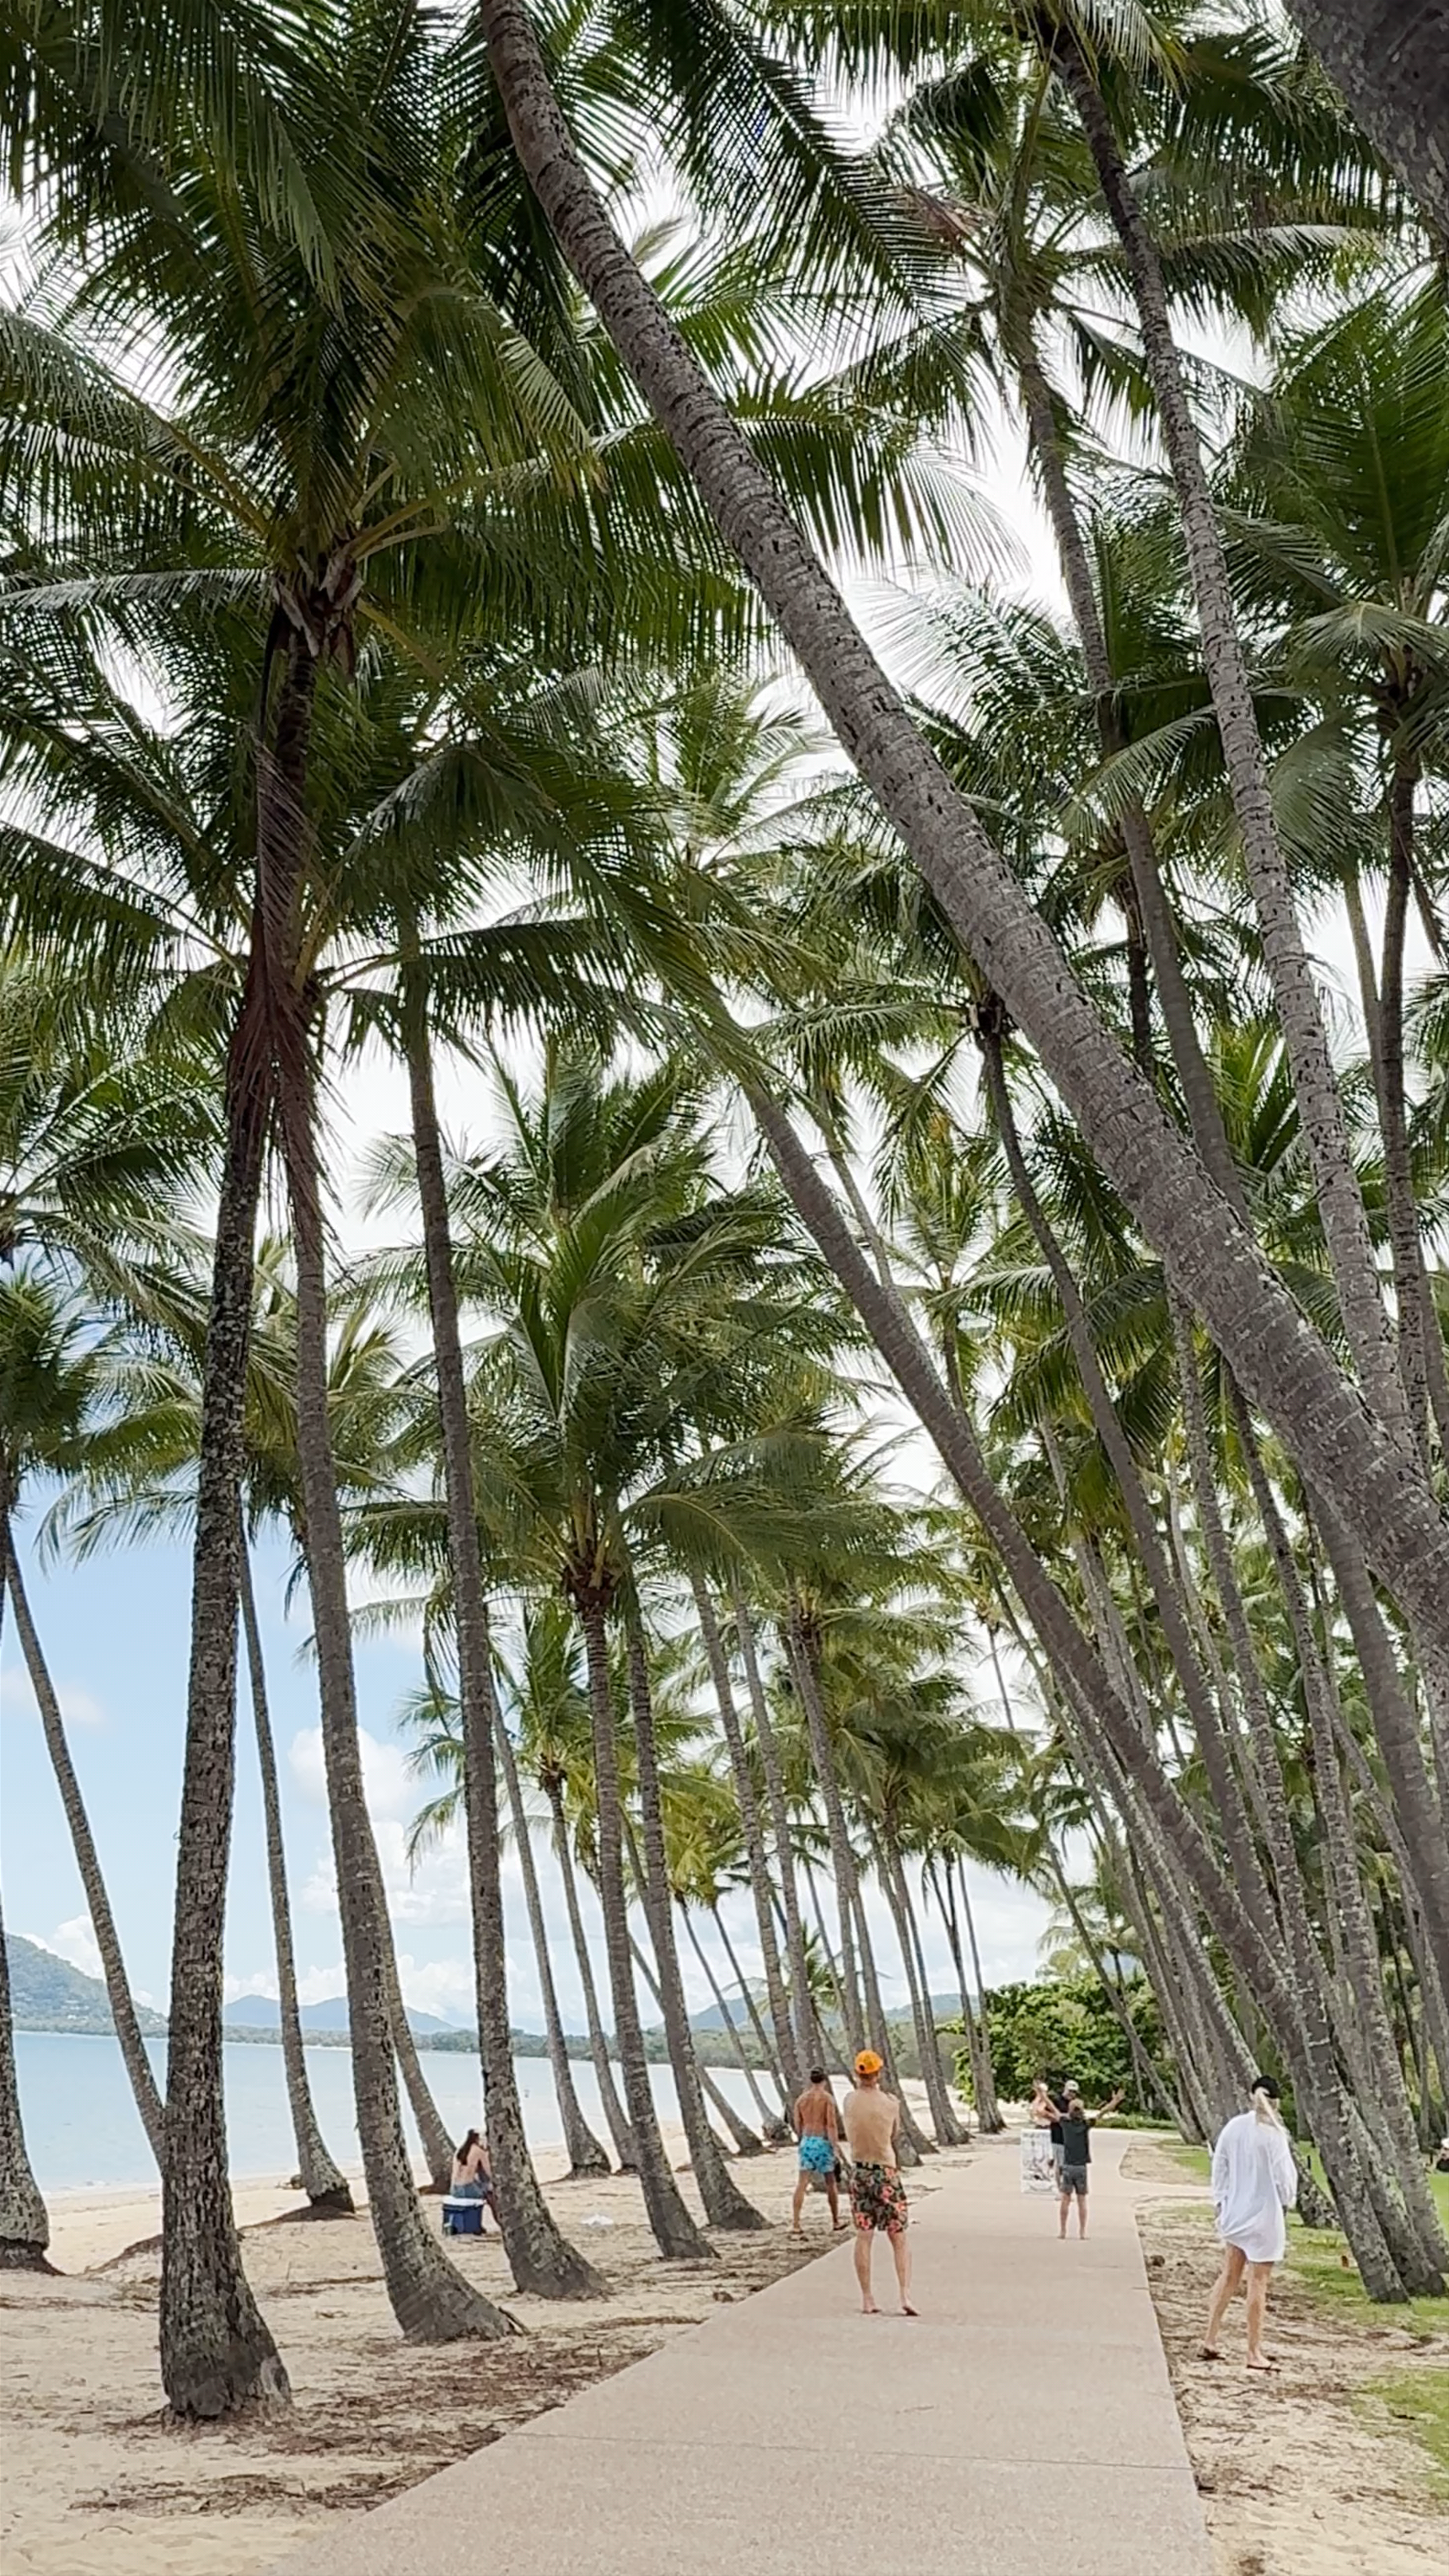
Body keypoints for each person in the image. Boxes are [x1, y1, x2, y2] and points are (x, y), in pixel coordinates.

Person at [1200, 2076, 1298, 2373]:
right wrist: (1287, 2202)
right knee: (1258, 2282)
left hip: (1237, 2214)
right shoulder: (1275, 2135)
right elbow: (1285, 2179)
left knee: (1229, 2276)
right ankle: (1254, 2351)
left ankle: (1211, 2336)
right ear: (1277, 2102)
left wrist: (1222, 2201)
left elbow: (1220, 2166)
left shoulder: (1234, 2128)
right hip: (1264, 2216)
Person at [841, 2048, 915, 2316]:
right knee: (899, 2236)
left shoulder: (849, 2100)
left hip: (860, 2171)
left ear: (857, 2073)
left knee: (864, 2235)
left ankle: (867, 2297)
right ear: (878, 2073)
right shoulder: (891, 2103)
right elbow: (894, 2133)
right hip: (885, 2171)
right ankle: (905, 2294)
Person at [1056, 2082, 1124, 2238]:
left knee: (1065, 2200)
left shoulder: (1065, 2124)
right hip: (1081, 2168)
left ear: (1070, 2110)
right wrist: (1115, 2102)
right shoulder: (1086, 2124)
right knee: (1082, 2201)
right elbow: (1102, 2113)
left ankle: (1063, 2231)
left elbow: (1052, 2111)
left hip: (1068, 2166)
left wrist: (1042, 2095)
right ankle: (1082, 2232)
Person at [791, 2067, 845, 2236]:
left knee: (802, 2183)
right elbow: (831, 2124)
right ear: (825, 2081)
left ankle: (796, 2223)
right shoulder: (827, 2099)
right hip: (823, 2141)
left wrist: (803, 2139)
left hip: (807, 2141)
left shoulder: (802, 2100)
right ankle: (836, 2221)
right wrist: (835, 2147)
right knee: (830, 2182)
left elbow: (797, 2123)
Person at [450, 2128, 498, 2229]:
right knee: (491, 2197)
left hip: (454, 2189)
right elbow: (489, 2173)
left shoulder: (460, 2151)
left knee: (482, 2187)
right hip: (467, 2189)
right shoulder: (479, 2151)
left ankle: (475, 2223)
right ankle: (500, 2222)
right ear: (479, 2139)